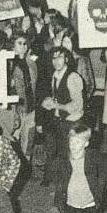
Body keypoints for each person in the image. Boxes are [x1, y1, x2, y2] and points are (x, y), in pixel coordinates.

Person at [55, 123, 107, 213]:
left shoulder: (93, 156)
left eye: (78, 142)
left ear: (86, 143)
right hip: (70, 203)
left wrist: (99, 190)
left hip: (89, 203)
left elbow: (105, 168)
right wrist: (59, 197)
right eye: (71, 141)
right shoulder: (64, 158)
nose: (73, 145)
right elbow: (59, 179)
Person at [42, 46, 85, 198]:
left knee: (70, 160)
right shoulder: (56, 75)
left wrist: (56, 105)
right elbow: (59, 98)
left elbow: (77, 105)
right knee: (62, 159)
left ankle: (65, 195)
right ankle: (63, 190)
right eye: (54, 58)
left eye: (60, 57)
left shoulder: (73, 77)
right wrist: (50, 102)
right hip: (61, 122)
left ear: (66, 59)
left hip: (72, 122)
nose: (56, 61)